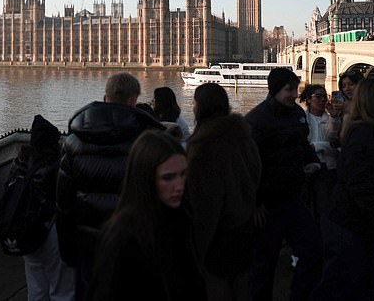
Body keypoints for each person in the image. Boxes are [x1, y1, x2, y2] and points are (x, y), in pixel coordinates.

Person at [56, 72, 164, 301]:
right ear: (134, 100)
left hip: (88, 242)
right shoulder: (148, 140)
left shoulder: (73, 141)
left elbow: (64, 202)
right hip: (133, 243)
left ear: (105, 98)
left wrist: (66, 250)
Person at [88, 130, 205, 301]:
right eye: (168, 178)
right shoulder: (122, 238)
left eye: (183, 174)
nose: (179, 185)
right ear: (146, 178)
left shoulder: (183, 219)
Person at [245, 68, 323, 300]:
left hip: (294, 199)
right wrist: (256, 204)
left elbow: (303, 146)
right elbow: (251, 167)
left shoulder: (296, 114)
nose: (294, 94)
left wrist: (312, 162)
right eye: (289, 90)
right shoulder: (256, 120)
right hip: (268, 206)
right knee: (263, 267)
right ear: (275, 90)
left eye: (295, 89)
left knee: (313, 253)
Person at [185, 83, 261, 300]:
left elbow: (204, 203)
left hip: (217, 237)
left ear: (200, 107)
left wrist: (196, 250)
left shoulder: (203, 145)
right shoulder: (244, 135)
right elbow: (256, 174)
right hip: (243, 228)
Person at [313, 79, 374, 300]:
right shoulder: (365, 133)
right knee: (342, 284)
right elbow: (360, 182)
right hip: (351, 224)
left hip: (353, 222)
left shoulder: (360, 130)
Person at [6, 115, 74, 301]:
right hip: (52, 231)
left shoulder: (20, 164)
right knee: (62, 290)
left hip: (27, 231)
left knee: (36, 288)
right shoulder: (59, 164)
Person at [298, 85, 339, 225]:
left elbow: (335, 145)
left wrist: (316, 146)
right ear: (308, 99)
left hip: (327, 169)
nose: (322, 100)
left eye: (324, 96)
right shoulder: (300, 119)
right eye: (318, 96)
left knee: (324, 207)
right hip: (307, 168)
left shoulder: (331, 119)